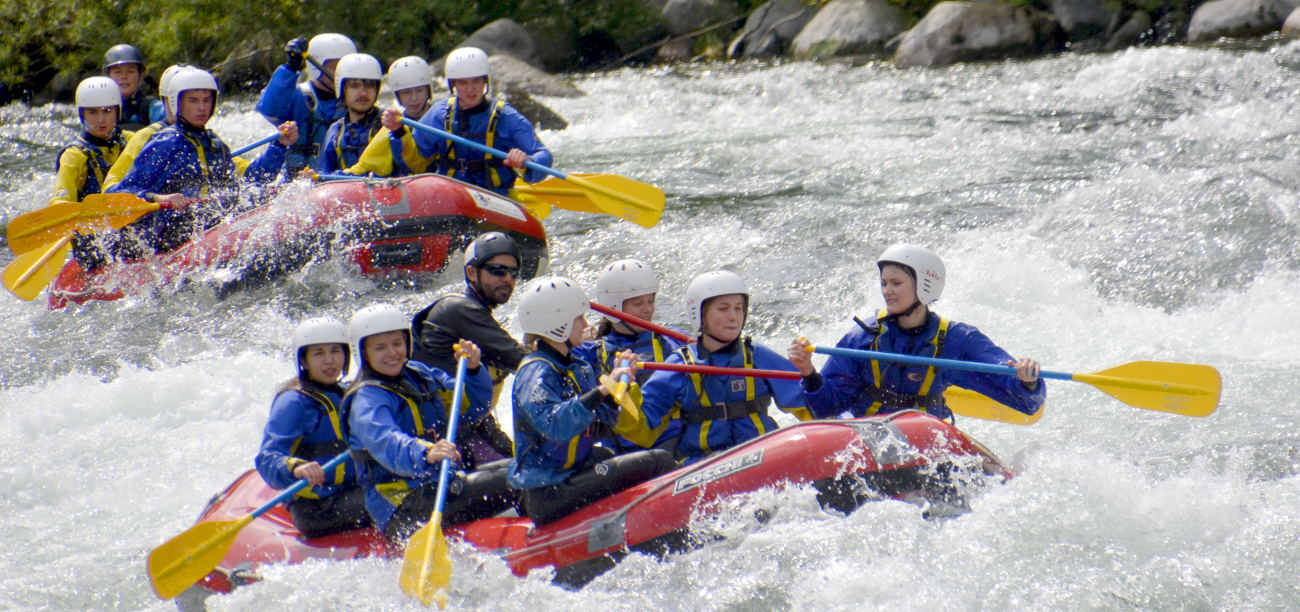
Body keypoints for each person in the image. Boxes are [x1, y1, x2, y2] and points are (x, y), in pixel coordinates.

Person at [787, 244, 1046, 421]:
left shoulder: (956, 341)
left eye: (896, 283)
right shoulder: (864, 337)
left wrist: (1027, 380)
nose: (887, 291)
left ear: (924, 285)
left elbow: (1025, 401)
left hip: (924, 442)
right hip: (867, 435)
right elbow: (826, 406)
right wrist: (809, 373)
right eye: (884, 283)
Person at [341, 304, 516, 544]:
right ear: (363, 352)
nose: (392, 352)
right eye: (380, 347)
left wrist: (474, 371)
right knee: (519, 480)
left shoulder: (419, 374)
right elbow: (387, 441)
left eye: (397, 343)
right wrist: (426, 451)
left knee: (522, 468)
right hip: (403, 505)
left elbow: (470, 408)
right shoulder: (366, 400)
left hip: (441, 483)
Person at [508, 276, 676, 525]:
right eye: (578, 318)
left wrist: (621, 387)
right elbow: (555, 425)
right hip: (550, 489)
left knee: (612, 454)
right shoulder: (535, 372)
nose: (586, 324)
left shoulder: (579, 368)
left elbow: (604, 425)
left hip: (578, 470)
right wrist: (602, 391)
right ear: (557, 323)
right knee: (658, 461)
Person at [109, 68, 296, 255]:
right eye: (193, 100)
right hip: (171, 235)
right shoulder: (165, 143)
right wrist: (158, 197)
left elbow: (255, 180)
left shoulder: (213, 142)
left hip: (209, 223)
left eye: (207, 100)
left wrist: (278, 146)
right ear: (177, 102)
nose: (202, 108)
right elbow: (123, 191)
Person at [638, 271, 813, 464]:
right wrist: (623, 389)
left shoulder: (757, 356)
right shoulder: (680, 366)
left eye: (738, 309)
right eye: (723, 309)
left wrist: (809, 372)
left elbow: (811, 406)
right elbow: (641, 426)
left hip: (762, 452)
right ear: (700, 314)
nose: (733, 317)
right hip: (701, 463)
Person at [411, 231, 526, 463]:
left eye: (513, 272)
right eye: (497, 270)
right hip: (444, 436)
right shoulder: (459, 309)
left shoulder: (476, 316)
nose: (508, 279)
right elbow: (523, 361)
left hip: (472, 425)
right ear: (472, 273)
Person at [255, 317, 370, 538]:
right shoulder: (293, 402)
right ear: (305, 360)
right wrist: (296, 468)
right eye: (318, 353)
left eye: (335, 351)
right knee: (392, 498)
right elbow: (267, 458)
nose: (329, 360)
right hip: (318, 506)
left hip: (352, 490)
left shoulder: (348, 393)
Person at [381, 47, 551, 196]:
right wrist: (398, 132)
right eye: (463, 83)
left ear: (485, 81)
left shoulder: (506, 116)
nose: (470, 89)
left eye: (476, 81)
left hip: (495, 194)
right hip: (450, 193)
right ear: (453, 84)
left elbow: (543, 154)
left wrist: (527, 161)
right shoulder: (439, 115)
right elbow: (415, 163)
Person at [572, 259, 685, 452]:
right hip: (624, 451)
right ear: (613, 308)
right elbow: (547, 352)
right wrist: (573, 337)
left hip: (674, 441)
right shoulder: (591, 351)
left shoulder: (671, 340)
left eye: (650, 301)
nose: (647, 309)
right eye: (638, 303)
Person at [257, 33, 356, 175]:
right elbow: (270, 110)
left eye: (346, 68)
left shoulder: (357, 100)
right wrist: (290, 67)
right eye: (335, 67)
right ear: (316, 67)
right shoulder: (300, 97)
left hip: (340, 181)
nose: (341, 74)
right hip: (299, 182)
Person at [341, 56, 437, 177]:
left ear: (428, 90)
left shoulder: (440, 117)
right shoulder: (393, 123)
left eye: (419, 90)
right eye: (406, 92)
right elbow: (366, 165)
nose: (414, 98)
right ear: (397, 95)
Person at [102, 63, 190, 191]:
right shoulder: (145, 136)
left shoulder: (210, 140)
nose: (124, 77)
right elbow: (109, 188)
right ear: (165, 100)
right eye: (174, 99)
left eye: (202, 100)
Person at [49, 76, 130, 209]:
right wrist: (61, 206)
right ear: (82, 115)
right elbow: (60, 200)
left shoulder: (131, 140)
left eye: (107, 111)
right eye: (92, 112)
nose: (101, 119)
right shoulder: (74, 155)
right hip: (89, 222)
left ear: (117, 111)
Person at [316, 53, 383, 174]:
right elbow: (323, 174)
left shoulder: (390, 124)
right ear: (342, 89)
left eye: (370, 86)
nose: (363, 93)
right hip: (349, 189)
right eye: (355, 86)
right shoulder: (336, 131)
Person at [103, 43, 164, 130]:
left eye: (130, 71)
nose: (124, 76)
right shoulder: (98, 108)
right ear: (108, 76)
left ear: (140, 77)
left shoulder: (155, 108)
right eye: (117, 72)